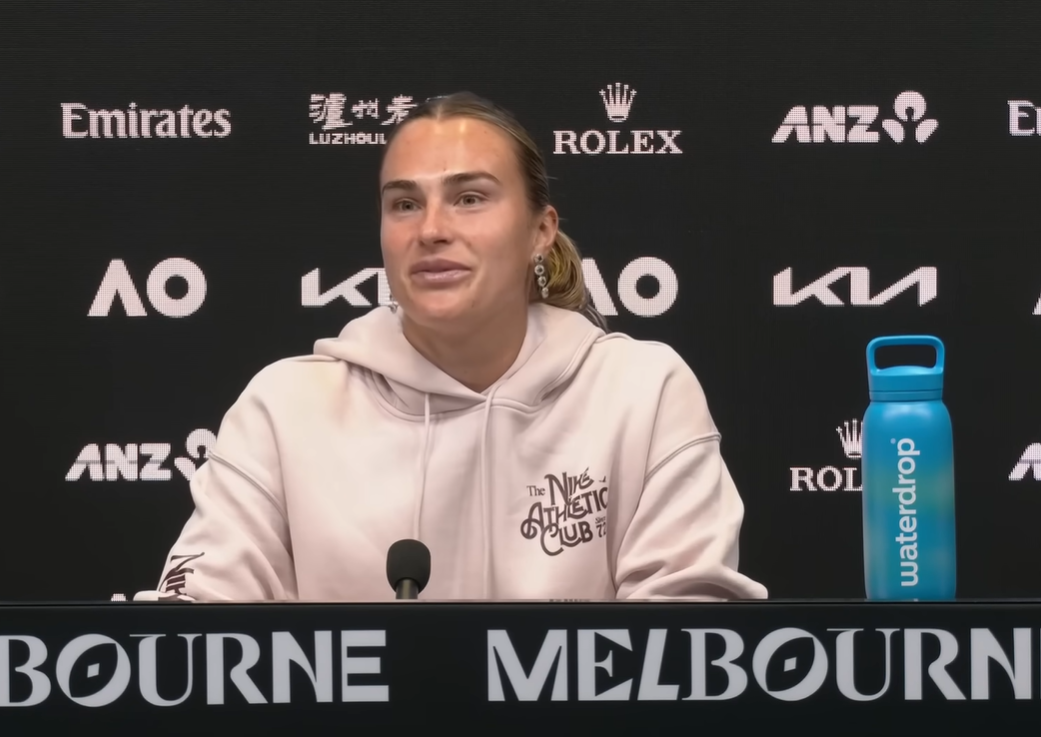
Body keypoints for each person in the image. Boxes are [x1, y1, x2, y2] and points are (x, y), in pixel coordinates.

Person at [140, 92, 768, 602]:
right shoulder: (285, 405)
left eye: (469, 198)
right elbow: (195, 634)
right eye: (404, 204)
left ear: (540, 231)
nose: (432, 229)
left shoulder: (643, 390)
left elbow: (687, 648)